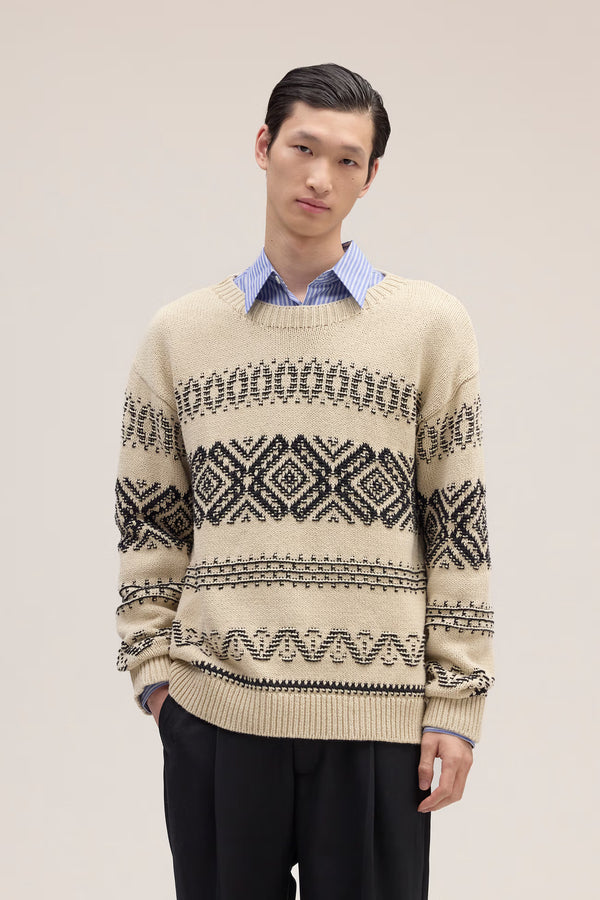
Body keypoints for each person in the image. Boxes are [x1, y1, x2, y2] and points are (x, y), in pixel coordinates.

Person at [114, 62, 494, 900]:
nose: (321, 177)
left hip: (377, 723)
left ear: (370, 176)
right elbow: (150, 525)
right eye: (303, 148)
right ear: (264, 146)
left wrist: (455, 703)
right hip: (216, 714)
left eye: (347, 160)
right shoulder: (179, 335)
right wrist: (158, 680)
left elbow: (458, 527)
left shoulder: (430, 327)